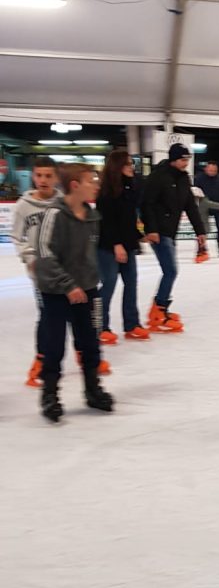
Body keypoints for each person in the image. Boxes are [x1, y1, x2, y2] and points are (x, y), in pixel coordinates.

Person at [35, 163, 113, 422]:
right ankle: (50, 395)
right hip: (56, 292)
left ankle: (92, 389)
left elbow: (88, 256)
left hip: (88, 291)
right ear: (75, 186)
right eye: (92, 180)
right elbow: (45, 254)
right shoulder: (54, 215)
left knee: (91, 342)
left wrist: (90, 284)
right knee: (54, 345)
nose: (96, 184)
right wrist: (68, 285)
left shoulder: (93, 217)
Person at [141, 143, 207, 332]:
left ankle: (159, 310)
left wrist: (200, 231)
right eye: (182, 159)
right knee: (170, 270)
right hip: (159, 231)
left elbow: (190, 207)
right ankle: (158, 311)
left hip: (170, 231)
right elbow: (147, 204)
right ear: (173, 159)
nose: (186, 163)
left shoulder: (184, 178)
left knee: (170, 270)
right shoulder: (158, 176)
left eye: (187, 159)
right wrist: (151, 229)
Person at [11, 156, 59, 387]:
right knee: (48, 315)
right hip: (40, 272)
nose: (43, 180)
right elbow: (16, 237)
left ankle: (85, 354)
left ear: (56, 178)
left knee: (74, 315)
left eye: (48, 175)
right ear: (33, 176)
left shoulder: (63, 203)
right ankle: (41, 359)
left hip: (65, 270)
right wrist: (29, 257)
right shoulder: (23, 206)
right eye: (39, 175)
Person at [96, 149, 149, 344]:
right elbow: (107, 222)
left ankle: (132, 324)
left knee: (131, 283)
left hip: (128, 244)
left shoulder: (130, 188)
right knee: (108, 284)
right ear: (117, 167)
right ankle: (100, 326)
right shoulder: (106, 193)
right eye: (127, 164)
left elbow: (128, 219)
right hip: (108, 246)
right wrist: (117, 245)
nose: (131, 168)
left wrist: (137, 236)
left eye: (131, 164)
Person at [194, 160, 219, 258]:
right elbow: (195, 191)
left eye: (214, 170)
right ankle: (201, 248)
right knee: (202, 229)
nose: (212, 172)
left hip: (217, 207)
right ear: (206, 169)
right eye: (210, 170)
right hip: (204, 207)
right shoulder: (199, 178)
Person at [191, 186, 219, 263]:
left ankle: (202, 253)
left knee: (201, 239)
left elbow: (215, 205)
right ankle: (202, 252)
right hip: (197, 224)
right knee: (200, 239)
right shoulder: (190, 204)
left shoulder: (204, 202)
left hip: (204, 225)